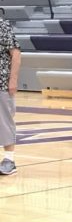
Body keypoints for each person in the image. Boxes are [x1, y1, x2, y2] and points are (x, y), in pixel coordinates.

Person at [0, 17, 20, 177]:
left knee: (4, 121)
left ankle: (9, 159)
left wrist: (12, 80)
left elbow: (16, 53)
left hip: (1, 82)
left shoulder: (1, 25)